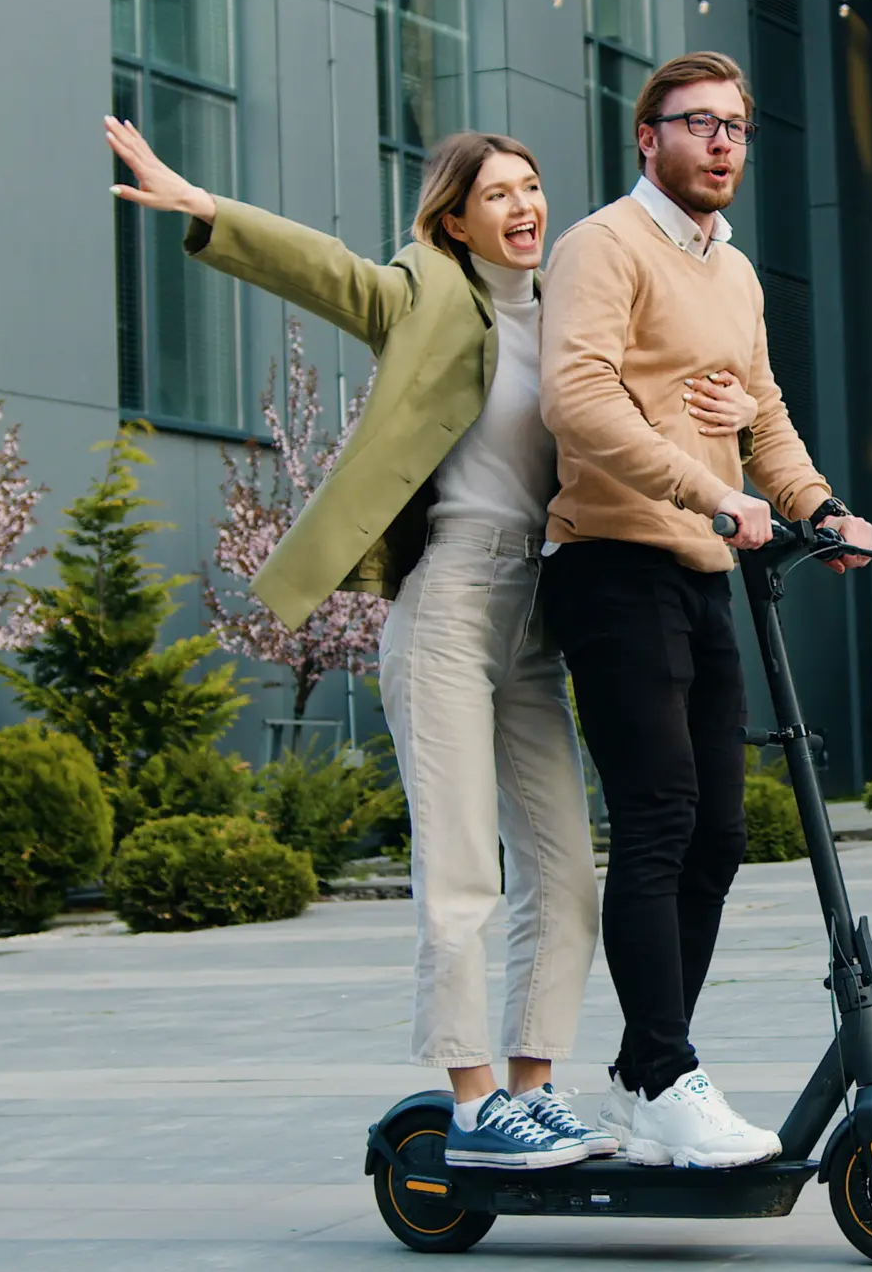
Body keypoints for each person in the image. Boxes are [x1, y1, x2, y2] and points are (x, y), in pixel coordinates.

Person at [104, 119, 762, 1170]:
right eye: (495, 193)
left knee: (562, 865)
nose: (523, 207)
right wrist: (207, 211)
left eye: (533, 186)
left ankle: (533, 1087)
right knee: (462, 866)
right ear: (453, 218)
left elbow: (641, 404)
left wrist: (729, 400)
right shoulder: (423, 293)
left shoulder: (567, 313)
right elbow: (330, 275)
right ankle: (469, 1099)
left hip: (538, 613)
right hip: (451, 596)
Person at [537, 51, 872, 1170]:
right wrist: (713, 493)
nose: (721, 142)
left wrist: (817, 505)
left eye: (734, 125)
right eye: (697, 125)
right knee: (658, 820)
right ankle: (667, 1073)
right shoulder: (602, 246)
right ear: (649, 139)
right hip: (611, 562)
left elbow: (760, 410)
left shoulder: (733, 270)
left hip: (699, 568)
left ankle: (647, 1078)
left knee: (720, 836)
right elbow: (577, 399)